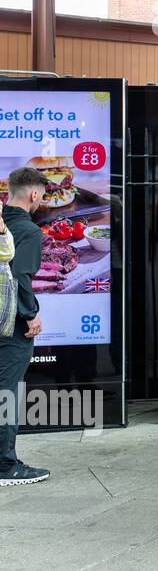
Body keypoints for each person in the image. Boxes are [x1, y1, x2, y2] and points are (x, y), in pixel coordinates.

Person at [0, 168, 49, 487]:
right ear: (33, 195)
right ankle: (5, 465)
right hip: (11, 322)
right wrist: (31, 314)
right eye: (43, 196)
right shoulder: (29, 231)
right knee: (6, 391)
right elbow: (20, 279)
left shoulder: (3, 223)